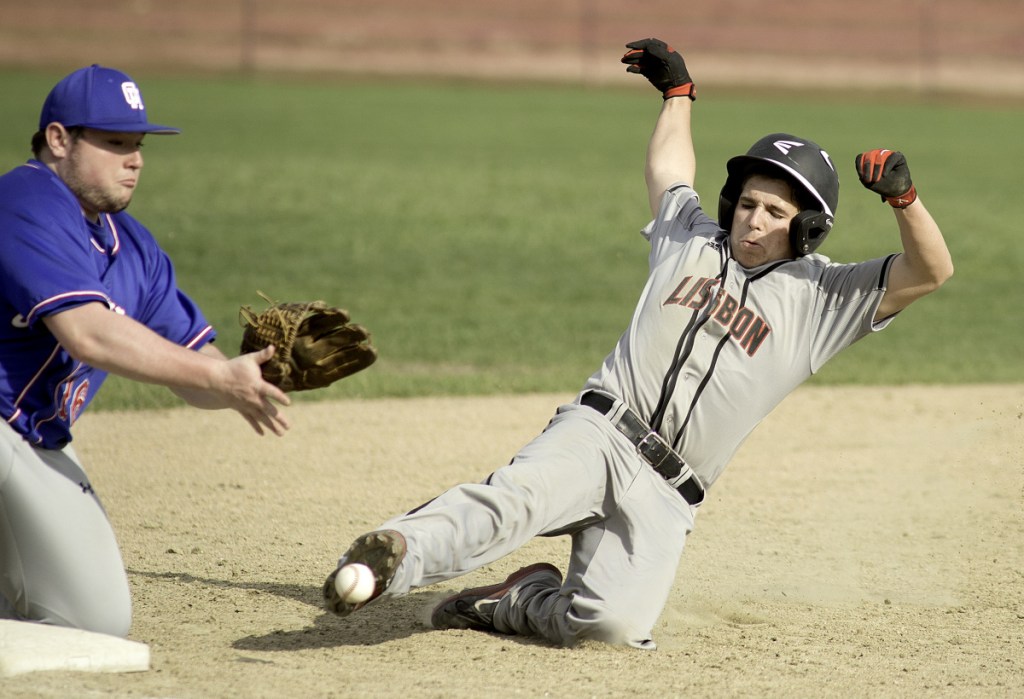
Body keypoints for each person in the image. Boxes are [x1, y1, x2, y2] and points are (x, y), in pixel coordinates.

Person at [321, 38, 953, 650]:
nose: (753, 220)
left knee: (610, 629)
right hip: (598, 434)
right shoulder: (689, 238)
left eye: (775, 213)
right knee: (515, 501)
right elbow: (670, 169)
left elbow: (929, 273)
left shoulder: (824, 300)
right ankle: (392, 556)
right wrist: (678, 94)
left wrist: (904, 199)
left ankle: (517, 599)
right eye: (748, 203)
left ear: (809, 227)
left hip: (669, 493)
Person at [0, 65, 291, 637]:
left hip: (33, 437)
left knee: (93, 621)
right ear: (58, 139)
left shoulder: (133, 248)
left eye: (137, 144)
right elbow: (89, 334)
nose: (133, 159)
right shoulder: (21, 201)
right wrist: (221, 379)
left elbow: (196, 369)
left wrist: (255, 376)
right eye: (113, 143)